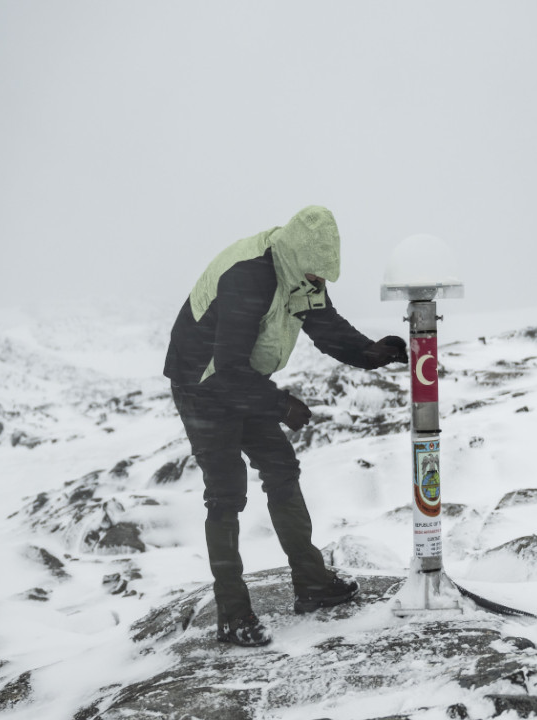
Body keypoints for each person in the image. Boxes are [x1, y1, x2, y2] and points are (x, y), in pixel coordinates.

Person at [163, 205, 407, 646]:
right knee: (227, 491)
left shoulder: (302, 271)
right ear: (295, 257)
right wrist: (280, 404)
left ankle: (312, 584)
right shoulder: (248, 278)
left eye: (324, 278)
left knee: (281, 468)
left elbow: (325, 324)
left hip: (241, 379)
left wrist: (369, 353)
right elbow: (227, 368)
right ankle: (233, 614)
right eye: (315, 276)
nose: (319, 283)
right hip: (203, 383)